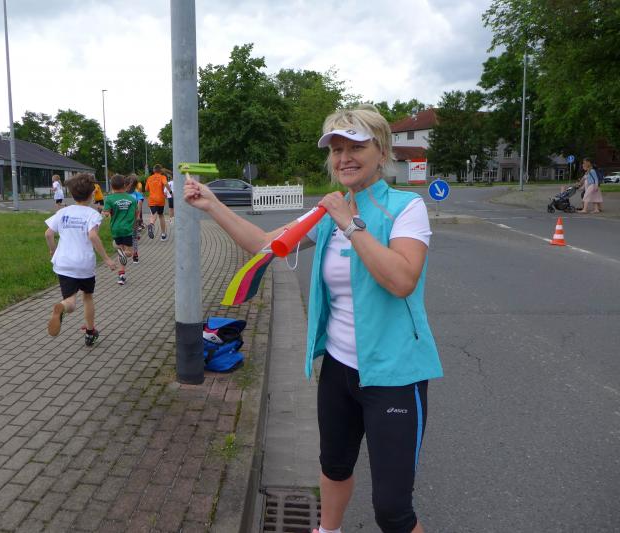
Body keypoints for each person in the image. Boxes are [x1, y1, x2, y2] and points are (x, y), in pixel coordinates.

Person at [184, 105, 443, 533]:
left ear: (381, 151)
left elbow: (401, 280)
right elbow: (266, 244)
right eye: (336, 149)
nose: (344, 157)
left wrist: (350, 224)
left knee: (393, 511)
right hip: (339, 370)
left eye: (355, 146)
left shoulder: (405, 207)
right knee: (333, 468)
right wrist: (212, 205)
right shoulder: (326, 212)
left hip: (395, 375)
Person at [44, 173, 117, 346]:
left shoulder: (63, 212)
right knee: (87, 296)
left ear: (72, 194)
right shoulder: (92, 214)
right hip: (84, 264)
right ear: (92, 194)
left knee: (70, 300)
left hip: (63, 263)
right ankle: (90, 332)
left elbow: (48, 234)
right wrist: (107, 259)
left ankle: (62, 306)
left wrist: (53, 250)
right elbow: (93, 236)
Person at [103, 174, 138, 285]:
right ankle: (120, 251)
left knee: (120, 250)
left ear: (111, 186)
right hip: (127, 229)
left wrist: (105, 212)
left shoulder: (109, 198)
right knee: (129, 253)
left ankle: (121, 275)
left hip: (116, 229)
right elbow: (136, 214)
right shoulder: (132, 199)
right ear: (124, 185)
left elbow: (106, 213)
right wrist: (135, 225)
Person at [145, 164, 171, 240]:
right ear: (160, 170)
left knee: (153, 214)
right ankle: (163, 235)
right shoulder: (162, 177)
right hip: (160, 199)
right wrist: (171, 192)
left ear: (153, 170)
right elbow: (165, 183)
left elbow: (146, 189)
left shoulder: (149, 178)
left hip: (152, 199)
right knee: (161, 215)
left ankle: (151, 224)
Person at [126, 174, 145, 264]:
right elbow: (140, 203)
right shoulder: (137, 194)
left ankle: (127, 252)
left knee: (128, 236)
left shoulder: (124, 194)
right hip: (132, 219)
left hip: (126, 219)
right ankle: (134, 254)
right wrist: (138, 216)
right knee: (133, 237)